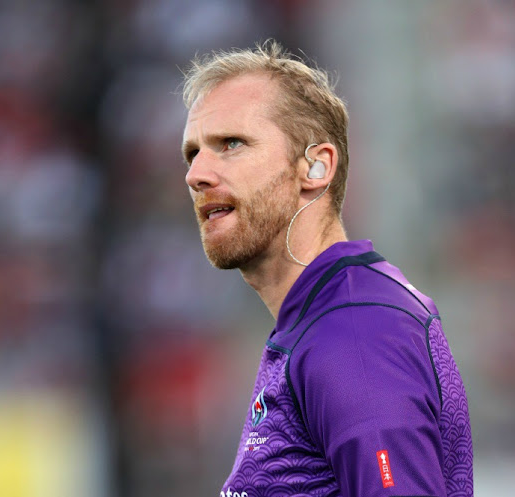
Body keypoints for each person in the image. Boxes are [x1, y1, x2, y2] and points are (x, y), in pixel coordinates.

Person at [180, 40, 473, 497]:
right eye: (193, 153)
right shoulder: (324, 319)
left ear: (316, 167)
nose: (196, 174)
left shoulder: (354, 331)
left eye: (231, 143)